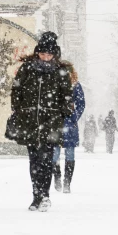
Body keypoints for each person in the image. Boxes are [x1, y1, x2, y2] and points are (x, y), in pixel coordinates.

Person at [10, 32, 73, 212]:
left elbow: (66, 95)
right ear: (38, 52)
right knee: (34, 161)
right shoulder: (27, 68)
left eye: (49, 54)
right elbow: (16, 90)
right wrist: (18, 108)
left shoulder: (60, 71)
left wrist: (63, 110)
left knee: (46, 160)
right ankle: (36, 197)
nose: (46, 57)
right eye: (43, 53)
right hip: (30, 122)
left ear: (55, 54)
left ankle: (45, 196)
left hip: (51, 122)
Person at [52, 61, 85, 193]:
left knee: (70, 154)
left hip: (70, 126)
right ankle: (57, 178)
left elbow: (81, 104)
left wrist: (73, 117)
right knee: (54, 155)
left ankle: (67, 182)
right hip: (55, 125)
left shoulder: (76, 86)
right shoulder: (54, 85)